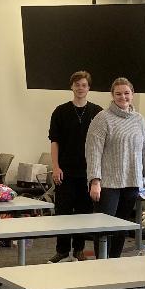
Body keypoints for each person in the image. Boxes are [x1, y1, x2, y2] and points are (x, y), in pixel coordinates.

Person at [85, 77, 145, 258]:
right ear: (112, 95)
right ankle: (102, 265)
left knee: (122, 227)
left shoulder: (139, 119)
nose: (123, 97)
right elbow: (93, 152)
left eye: (126, 93)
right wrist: (94, 181)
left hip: (132, 182)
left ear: (132, 95)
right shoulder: (102, 118)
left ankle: (115, 263)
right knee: (104, 228)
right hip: (108, 185)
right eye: (118, 94)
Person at [46, 70, 103, 262]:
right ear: (72, 87)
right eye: (77, 84)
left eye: (84, 85)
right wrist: (55, 167)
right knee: (62, 212)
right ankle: (62, 250)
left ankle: (79, 250)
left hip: (88, 172)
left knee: (83, 212)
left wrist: (97, 175)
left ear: (89, 88)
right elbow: (55, 142)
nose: (80, 88)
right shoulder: (60, 111)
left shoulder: (97, 112)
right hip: (65, 170)